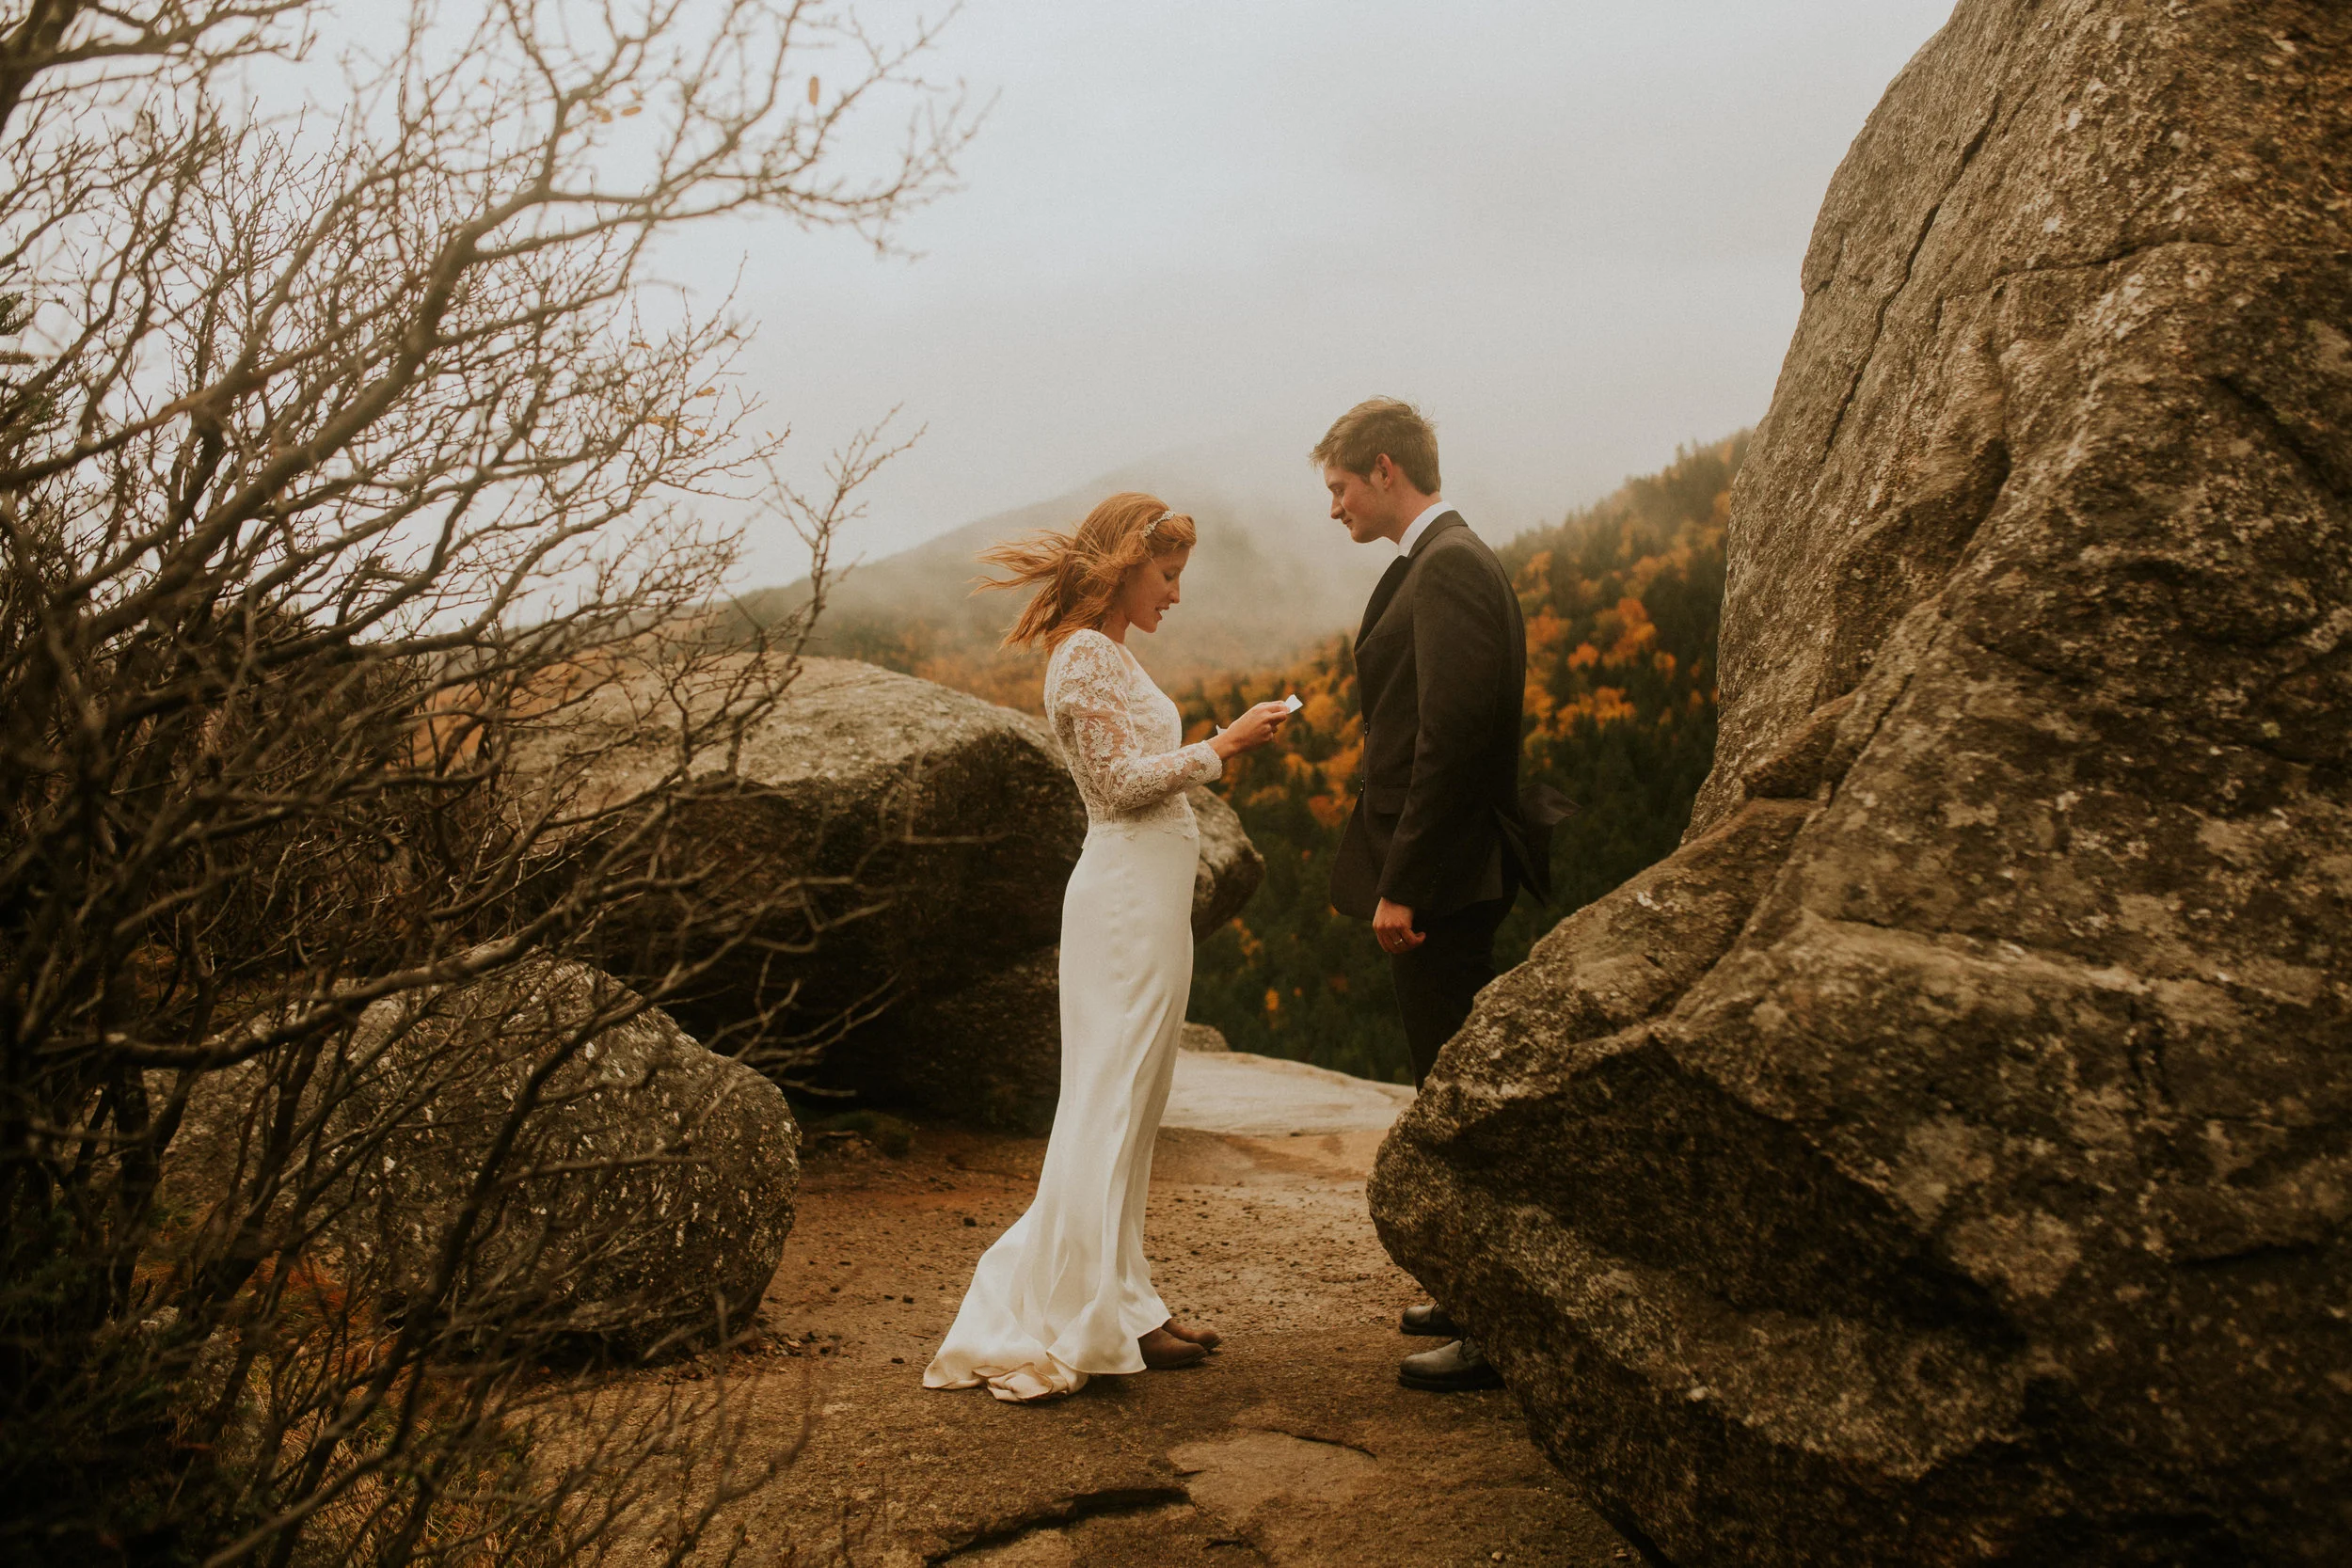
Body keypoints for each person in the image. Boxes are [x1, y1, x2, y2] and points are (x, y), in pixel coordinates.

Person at [923, 490, 1294, 1402]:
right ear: (1123, 567)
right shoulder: (1082, 656)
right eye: (1166, 576)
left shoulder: (1111, 653)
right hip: (1123, 901)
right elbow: (1117, 783)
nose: (1174, 594)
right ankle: (1088, 1309)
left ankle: (1128, 1300)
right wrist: (1224, 743)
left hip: (1148, 898)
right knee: (1110, 1099)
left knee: (1137, 1100)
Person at [1317, 397, 1554, 1395]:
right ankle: (1467, 1289)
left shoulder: (1448, 564)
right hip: (1446, 867)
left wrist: (1403, 883)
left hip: (1447, 875)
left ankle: (1496, 1325)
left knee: (1453, 1105)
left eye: (1337, 489)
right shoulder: (1434, 561)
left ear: (1382, 469)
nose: (1332, 509)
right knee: (1445, 1091)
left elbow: (1449, 742)